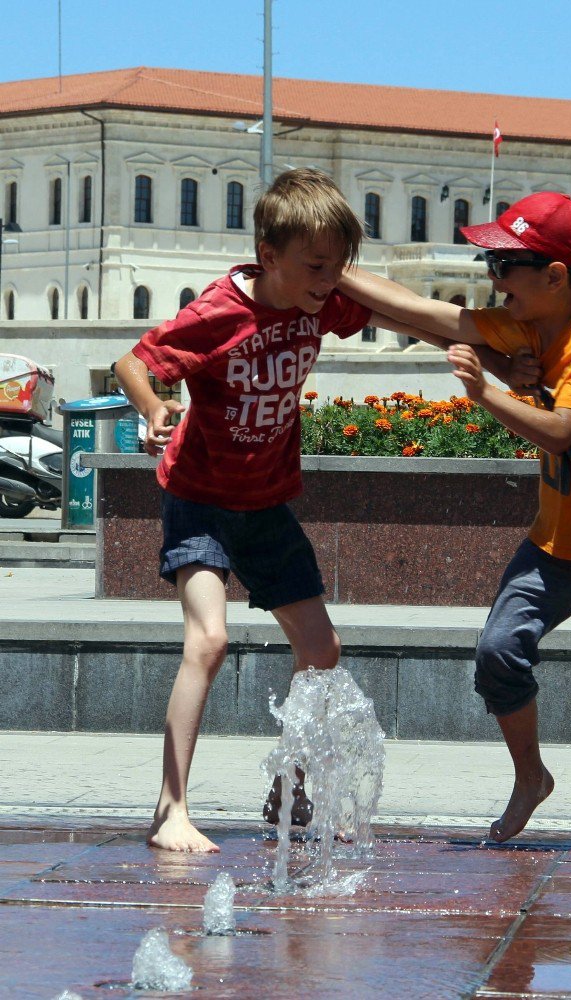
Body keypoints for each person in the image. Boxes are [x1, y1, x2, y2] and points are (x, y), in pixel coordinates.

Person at [113, 167, 521, 853]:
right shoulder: (218, 311)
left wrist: (498, 364)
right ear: (268, 256)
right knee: (207, 642)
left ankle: (287, 787)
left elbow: (402, 319)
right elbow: (133, 361)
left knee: (321, 649)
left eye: (337, 267)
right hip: (201, 497)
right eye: (315, 266)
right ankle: (170, 808)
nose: (329, 281)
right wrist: (154, 408)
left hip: (266, 500)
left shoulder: (316, 303)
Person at [338, 191, 571, 858]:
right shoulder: (523, 326)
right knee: (496, 655)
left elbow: (556, 433)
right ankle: (531, 777)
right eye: (489, 259)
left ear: (554, 275)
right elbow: (424, 311)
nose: (492, 275)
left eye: (506, 262)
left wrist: (484, 388)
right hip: (553, 543)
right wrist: (327, 267)